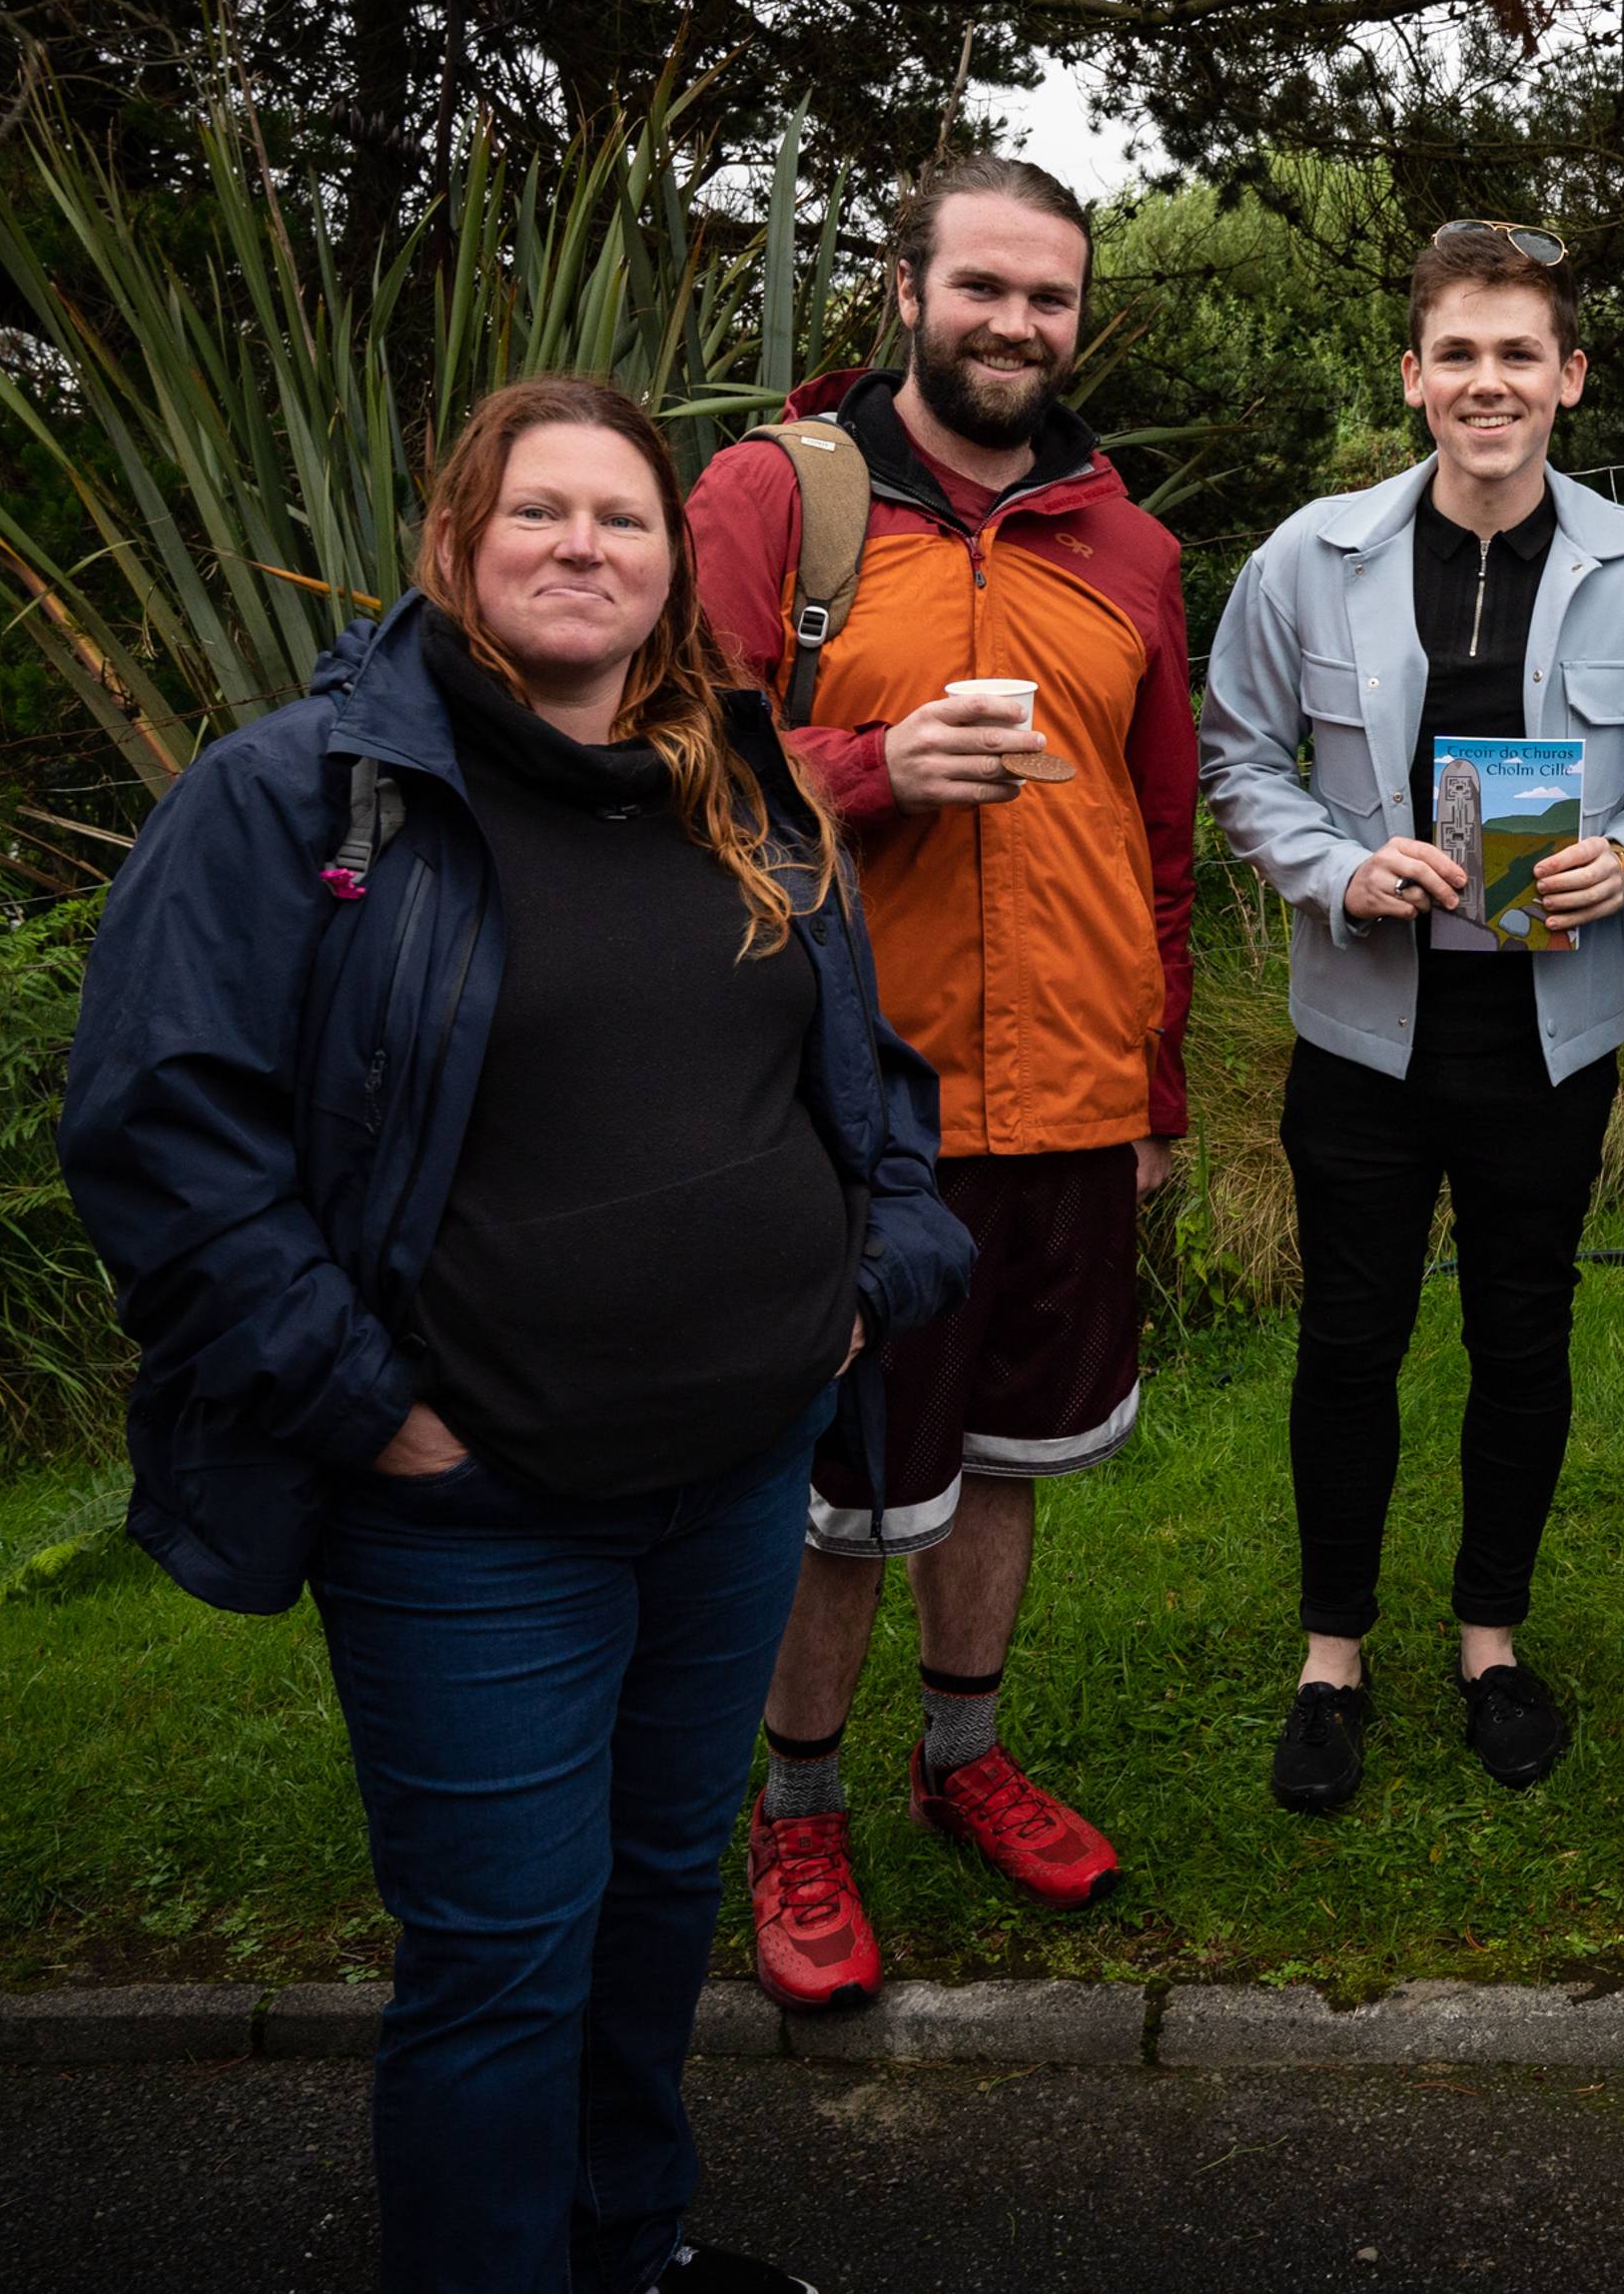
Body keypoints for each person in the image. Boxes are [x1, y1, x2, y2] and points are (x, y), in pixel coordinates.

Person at [60, 377, 969, 2294]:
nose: (582, 546)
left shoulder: (741, 783)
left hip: (733, 1485)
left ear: (673, 567)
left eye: (622, 518)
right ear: (456, 544)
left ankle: (628, 2246)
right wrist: (368, 1404)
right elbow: (163, 1133)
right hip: (472, 1516)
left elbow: (866, 1072)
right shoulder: (304, 797)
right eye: (539, 512)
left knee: (654, 1909)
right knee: (501, 1956)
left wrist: (866, 1283)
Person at [686, 152, 1198, 2008]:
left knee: (1006, 1456)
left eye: (1049, 296)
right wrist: (878, 766)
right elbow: (669, 761)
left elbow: (1161, 841)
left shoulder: (1127, 548)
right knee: (842, 1492)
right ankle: (798, 1811)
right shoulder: (781, 496)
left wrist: (1154, 1093)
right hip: (854, 1108)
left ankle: (963, 1753)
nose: (1015, 322)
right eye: (982, 285)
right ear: (905, 289)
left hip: (1068, 1100)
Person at [1201, 218, 1624, 1811]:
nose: (1486, 382)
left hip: (1547, 1037)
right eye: (1458, 354)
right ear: (1413, 376)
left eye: (1518, 353)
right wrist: (1337, 867)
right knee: (1349, 1338)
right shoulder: (1310, 559)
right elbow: (1238, 755)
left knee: (1523, 1332)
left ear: (1570, 377)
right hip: (1364, 1030)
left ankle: (1491, 1639)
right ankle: (1332, 1656)